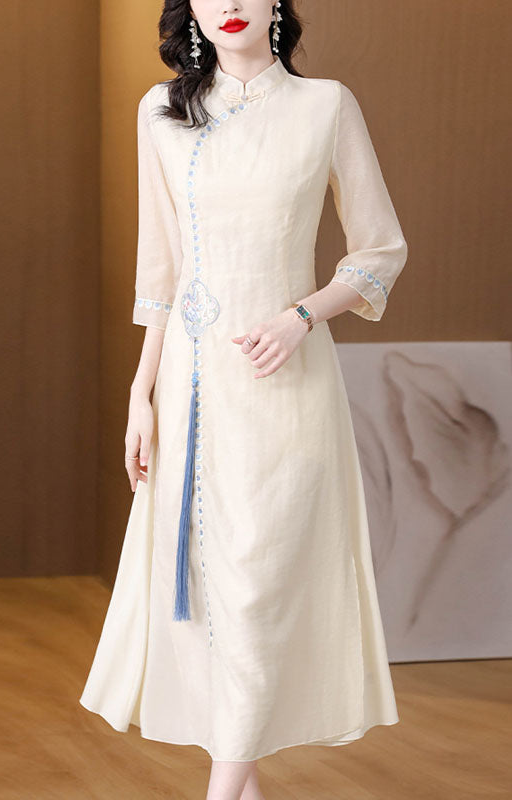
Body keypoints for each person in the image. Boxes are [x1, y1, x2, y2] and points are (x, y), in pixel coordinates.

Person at [79, 1, 408, 798]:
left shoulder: (325, 106)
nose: (228, 3)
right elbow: (160, 271)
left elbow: (379, 250)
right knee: (206, 584)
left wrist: (302, 317)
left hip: (283, 385)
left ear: (276, 5)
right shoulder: (161, 112)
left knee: (259, 581)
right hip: (188, 385)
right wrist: (139, 394)